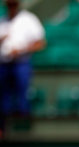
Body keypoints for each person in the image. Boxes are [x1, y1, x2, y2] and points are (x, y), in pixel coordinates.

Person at [0, 0, 45, 139]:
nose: (11, 7)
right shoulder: (2, 22)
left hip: (21, 63)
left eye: (13, 4)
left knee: (22, 99)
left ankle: (23, 133)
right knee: (3, 100)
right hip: (3, 65)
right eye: (9, 4)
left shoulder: (28, 19)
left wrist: (21, 50)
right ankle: (3, 132)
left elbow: (40, 43)